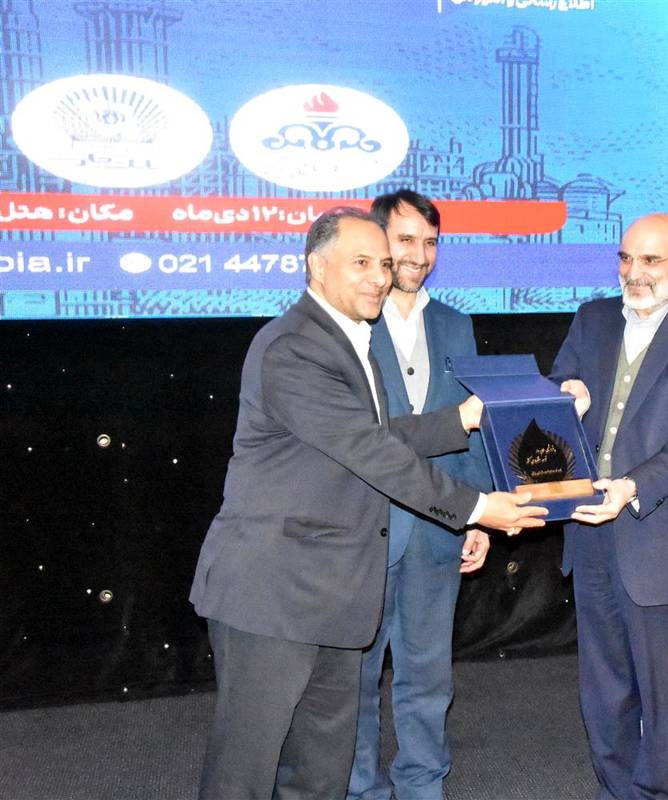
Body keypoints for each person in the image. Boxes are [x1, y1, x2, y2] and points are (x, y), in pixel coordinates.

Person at [189, 207, 546, 800]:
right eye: (361, 262)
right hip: (273, 596)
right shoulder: (293, 348)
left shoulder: (348, 340)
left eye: (383, 263)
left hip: (334, 596)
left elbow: (378, 437)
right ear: (316, 266)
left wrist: (459, 419)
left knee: (321, 773)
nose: (379, 277)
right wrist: (478, 507)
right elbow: (371, 453)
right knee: (243, 775)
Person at [551, 213, 668, 800]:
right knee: (603, 687)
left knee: (664, 696)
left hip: (660, 537)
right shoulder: (592, 319)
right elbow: (561, 383)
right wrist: (567, 392)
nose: (635, 272)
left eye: (651, 260)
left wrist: (630, 487)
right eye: (627, 258)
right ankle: (616, 791)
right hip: (589, 531)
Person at [347, 191, 492, 800]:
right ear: (378, 242)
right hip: (363, 533)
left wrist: (476, 515)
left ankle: (423, 785)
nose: (419, 254)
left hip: (438, 529)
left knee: (429, 678)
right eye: (406, 240)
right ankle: (358, 789)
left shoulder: (456, 324)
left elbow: (474, 429)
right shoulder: (349, 320)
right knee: (354, 679)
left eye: (430, 242)